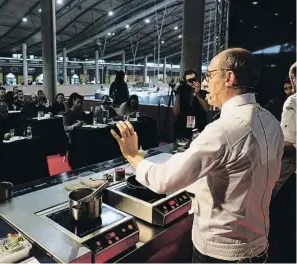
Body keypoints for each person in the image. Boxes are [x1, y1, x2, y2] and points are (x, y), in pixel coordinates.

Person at [111, 48, 284, 263]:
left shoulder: (224, 129)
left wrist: (132, 156)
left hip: (222, 252)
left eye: (210, 75)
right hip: (258, 245)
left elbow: (162, 180)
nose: (204, 82)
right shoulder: (271, 121)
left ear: (229, 77)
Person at [273, 62, 296, 198]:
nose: (289, 91)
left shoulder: (292, 102)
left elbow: (287, 143)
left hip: (291, 165)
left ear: (293, 77)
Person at [173, 69, 210, 140]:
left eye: (193, 79)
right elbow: (175, 112)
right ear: (185, 81)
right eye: (189, 80)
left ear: (197, 79)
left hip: (199, 125)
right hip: (183, 125)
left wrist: (198, 94)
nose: (192, 82)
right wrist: (178, 94)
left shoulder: (203, 92)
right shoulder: (182, 91)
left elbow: (206, 108)